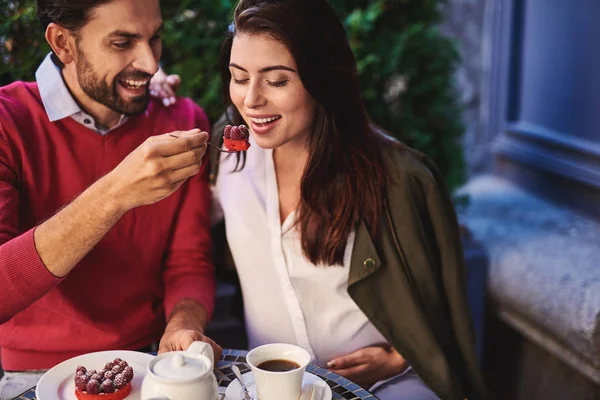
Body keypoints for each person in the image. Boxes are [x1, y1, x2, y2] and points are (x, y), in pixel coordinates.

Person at [155, 0, 489, 398]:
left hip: (384, 385)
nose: (252, 100)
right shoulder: (227, 154)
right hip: (272, 385)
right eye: (239, 77)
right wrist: (157, 98)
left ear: (322, 79)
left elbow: (443, 299)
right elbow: (188, 243)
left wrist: (401, 357)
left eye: (277, 81)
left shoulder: (397, 177)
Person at [0, 0, 221, 397]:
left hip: (151, 361)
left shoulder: (181, 122)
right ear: (63, 43)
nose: (151, 64)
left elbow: (189, 259)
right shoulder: (7, 123)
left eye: (155, 39)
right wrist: (114, 193)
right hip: (33, 373)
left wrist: (185, 321)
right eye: (123, 42)